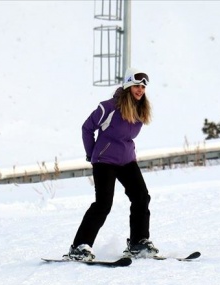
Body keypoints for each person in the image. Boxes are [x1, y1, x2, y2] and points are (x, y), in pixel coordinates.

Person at [65, 68, 158, 261]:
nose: (140, 90)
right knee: (103, 204)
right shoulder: (108, 107)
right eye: (136, 86)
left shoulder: (140, 109)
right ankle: (80, 247)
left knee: (141, 197)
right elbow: (87, 128)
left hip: (126, 161)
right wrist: (92, 154)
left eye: (143, 87)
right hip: (104, 160)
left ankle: (138, 243)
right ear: (127, 86)